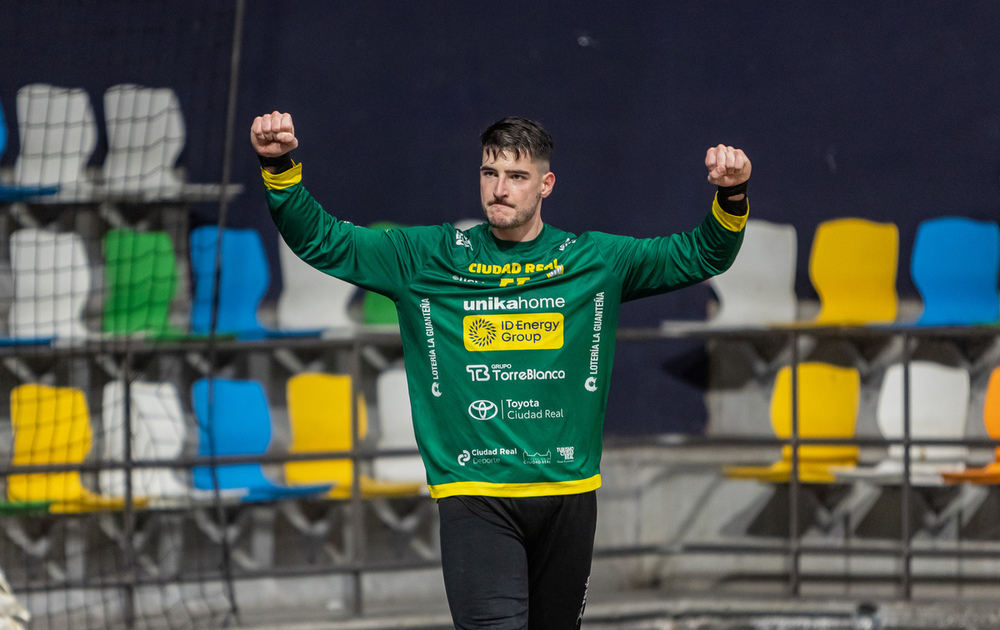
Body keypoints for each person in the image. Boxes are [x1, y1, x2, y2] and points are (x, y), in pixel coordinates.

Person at [250, 111, 750, 630]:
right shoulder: (428, 257)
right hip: (475, 495)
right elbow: (322, 239)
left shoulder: (594, 259)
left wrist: (731, 196)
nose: (500, 189)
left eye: (517, 176)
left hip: (567, 494)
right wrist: (277, 163)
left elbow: (702, 254)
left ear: (545, 184)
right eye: (490, 174)